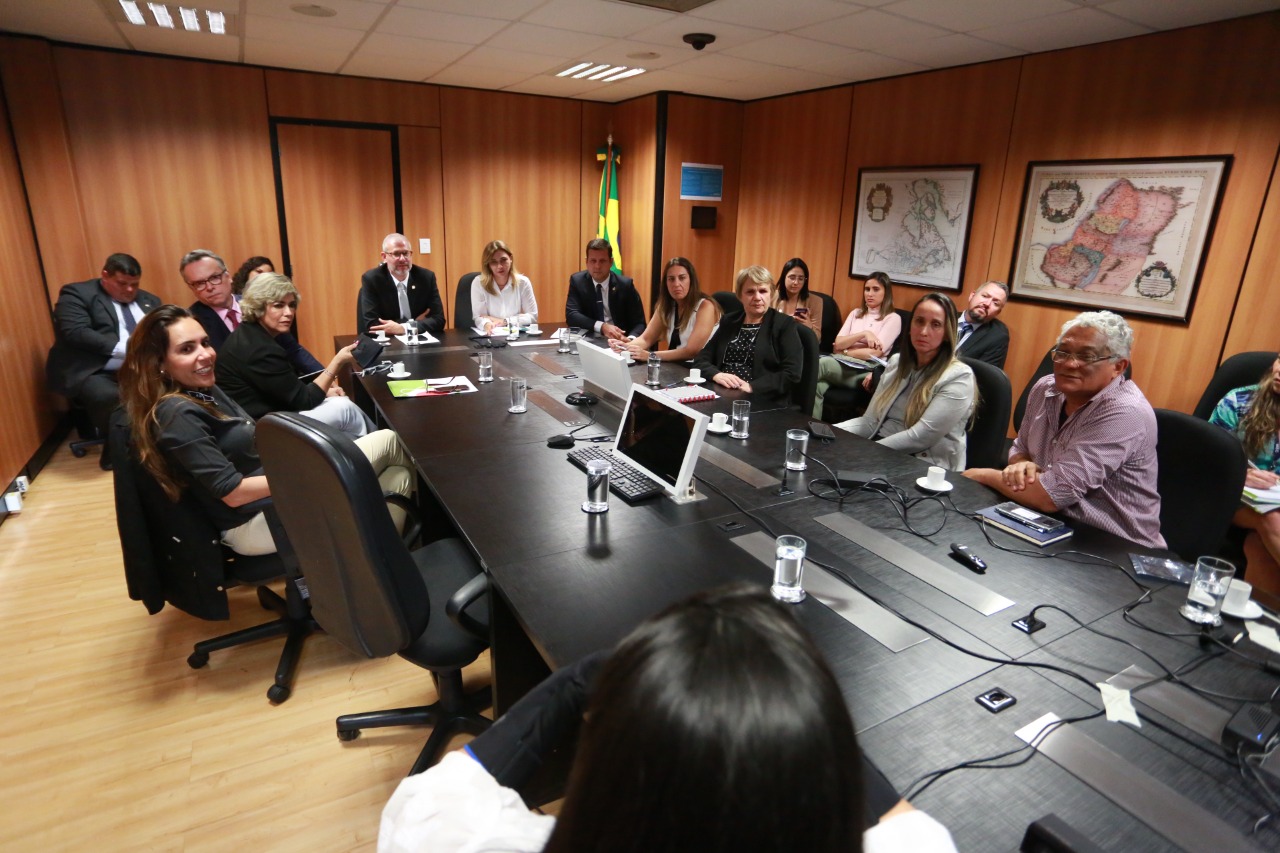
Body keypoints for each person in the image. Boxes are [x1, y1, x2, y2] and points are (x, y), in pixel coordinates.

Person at [378, 584, 958, 853]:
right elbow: (907, 826)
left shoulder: (471, 840)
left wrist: (586, 677)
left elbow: (450, 788)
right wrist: (790, 695)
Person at [118, 305, 413, 556]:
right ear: (159, 363)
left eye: (205, 343)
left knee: (397, 479)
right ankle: (377, 566)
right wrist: (312, 470)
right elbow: (232, 493)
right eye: (186, 349)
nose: (205, 354)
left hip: (273, 491)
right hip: (253, 520)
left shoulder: (202, 388)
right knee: (388, 441)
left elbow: (253, 437)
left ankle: (380, 569)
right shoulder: (176, 413)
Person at [964, 311, 1164, 548]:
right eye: (1063, 352)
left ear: (1118, 367)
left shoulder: (1125, 412)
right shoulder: (1045, 388)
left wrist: (981, 475)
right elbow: (1021, 446)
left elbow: (1050, 496)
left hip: (1114, 545)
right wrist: (1021, 462)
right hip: (1050, 525)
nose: (1069, 363)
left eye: (1086, 356)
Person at [216, 274, 374, 438]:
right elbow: (305, 400)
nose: (288, 312)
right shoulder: (259, 348)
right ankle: (384, 448)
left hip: (270, 415)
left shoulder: (253, 332)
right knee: (345, 409)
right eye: (279, 305)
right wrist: (338, 361)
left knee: (340, 405)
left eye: (291, 305)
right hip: (264, 430)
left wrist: (324, 389)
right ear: (258, 307)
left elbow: (287, 386)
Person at [834, 293, 975, 470]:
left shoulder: (959, 377)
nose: (924, 331)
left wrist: (864, 453)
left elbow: (919, 438)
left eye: (935, 324)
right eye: (919, 321)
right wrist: (830, 432)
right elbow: (869, 422)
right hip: (882, 450)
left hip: (925, 466)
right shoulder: (896, 363)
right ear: (910, 326)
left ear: (947, 333)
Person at [46, 253, 160, 441]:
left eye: (135, 284)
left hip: (141, 369)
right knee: (110, 397)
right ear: (105, 275)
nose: (130, 290)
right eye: (122, 283)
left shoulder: (150, 300)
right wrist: (128, 350)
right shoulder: (77, 294)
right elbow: (76, 332)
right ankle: (117, 451)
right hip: (94, 370)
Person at [181, 249, 322, 373]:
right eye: (199, 283)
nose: (210, 287)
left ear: (228, 276)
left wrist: (325, 379)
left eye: (214, 278)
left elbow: (294, 350)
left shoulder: (258, 303)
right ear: (191, 287)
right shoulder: (193, 323)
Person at [1209, 353, 1280, 590]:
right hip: (1235, 497)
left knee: (1258, 546)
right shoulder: (1239, 402)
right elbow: (1209, 460)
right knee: (1270, 519)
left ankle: (1257, 625)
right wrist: (1244, 474)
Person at [692, 265, 802, 406]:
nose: (757, 297)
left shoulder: (784, 325)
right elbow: (701, 359)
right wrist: (717, 375)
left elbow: (792, 373)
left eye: (763, 291)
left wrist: (752, 387)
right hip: (720, 393)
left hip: (759, 400)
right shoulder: (729, 321)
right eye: (750, 292)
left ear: (772, 294)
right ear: (740, 295)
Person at [811, 271, 901, 420]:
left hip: (866, 370)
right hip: (841, 363)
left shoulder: (892, 318)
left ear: (886, 292)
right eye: (867, 289)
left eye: (876, 289)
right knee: (817, 386)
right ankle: (812, 427)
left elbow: (875, 354)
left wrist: (845, 351)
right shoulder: (856, 313)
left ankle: (785, 412)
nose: (870, 294)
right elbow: (838, 343)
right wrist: (864, 334)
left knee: (821, 364)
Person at [615, 257, 721, 362]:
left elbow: (691, 351)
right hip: (675, 366)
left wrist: (650, 355)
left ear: (691, 281)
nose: (676, 284)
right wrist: (623, 347)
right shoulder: (666, 306)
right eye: (671, 279)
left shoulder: (706, 306)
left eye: (682, 278)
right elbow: (646, 339)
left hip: (699, 370)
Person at [358, 233, 445, 338]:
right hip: (388, 343)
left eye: (405, 253)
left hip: (420, 342)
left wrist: (403, 327)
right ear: (384, 257)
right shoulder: (372, 279)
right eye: (396, 254)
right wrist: (415, 323)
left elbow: (439, 320)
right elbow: (373, 325)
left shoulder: (426, 277)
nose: (403, 259)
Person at [564, 238, 645, 341]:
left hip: (620, 341)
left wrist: (630, 341)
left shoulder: (625, 285)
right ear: (586, 262)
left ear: (611, 262)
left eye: (602, 261)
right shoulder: (577, 281)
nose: (597, 266)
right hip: (590, 342)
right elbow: (572, 315)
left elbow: (639, 323)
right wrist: (602, 326)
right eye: (593, 261)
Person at [471, 240, 538, 332]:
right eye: (494, 262)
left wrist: (505, 321)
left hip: (515, 335)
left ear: (510, 259)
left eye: (503, 260)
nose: (500, 266)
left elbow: (533, 316)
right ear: (488, 265)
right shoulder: (478, 283)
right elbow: (479, 317)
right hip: (491, 335)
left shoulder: (523, 282)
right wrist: (487, 324)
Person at [954, 280, 1010, 369]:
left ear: (998, 312)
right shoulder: (945, 318)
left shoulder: (998, 336)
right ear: (972, 296)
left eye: (995, 303)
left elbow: (984, 377)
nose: (987, 304)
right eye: (985, 296)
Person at [771, 257, 823, 337]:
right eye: (792, 278)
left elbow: (818, 339)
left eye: (801, 279)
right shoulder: (771, 296)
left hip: (800, 345)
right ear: (784, 277)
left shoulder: (815, 301)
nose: (796, 282)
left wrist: (810, 327)